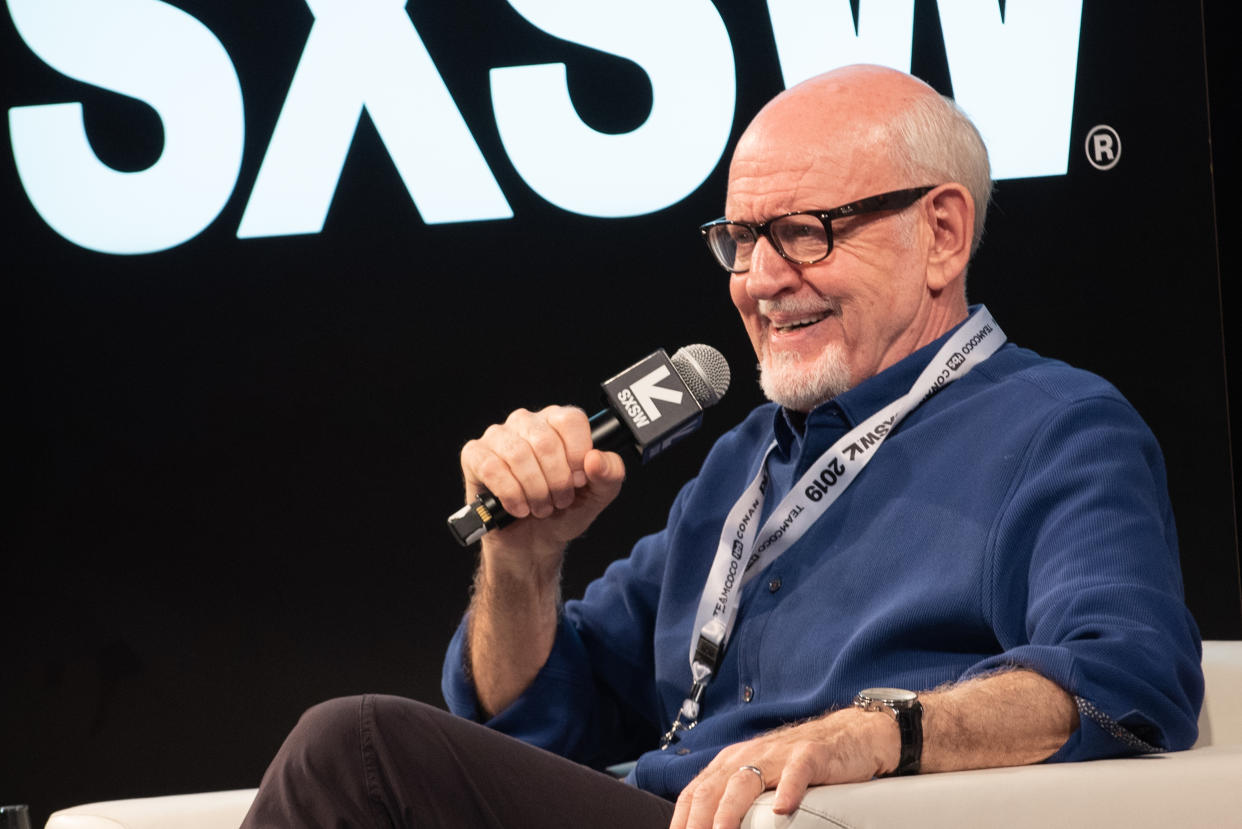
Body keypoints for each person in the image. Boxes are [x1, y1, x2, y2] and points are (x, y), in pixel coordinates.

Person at [240, 65, 1202, 829]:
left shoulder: (1060, 428)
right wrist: (524, 563)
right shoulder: (745, 459)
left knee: (359, 752)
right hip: (668, 811)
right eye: (740, 239)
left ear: (941, 233)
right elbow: (542, 721)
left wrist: (871, 733)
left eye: (804, 232)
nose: (759, 280)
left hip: (810, 822)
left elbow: (1128, 673)